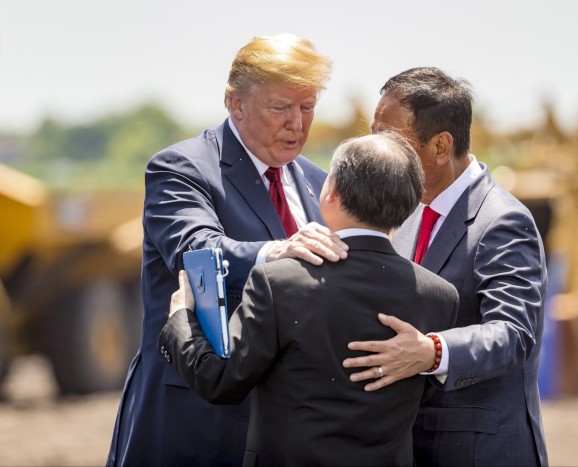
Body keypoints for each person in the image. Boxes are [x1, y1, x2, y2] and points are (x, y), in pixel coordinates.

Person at [106, 34, 349, 467]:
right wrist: (276, 252)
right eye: (280, 107)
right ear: (235, 103)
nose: (297, 123)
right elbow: (195, 249)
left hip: (289, 430)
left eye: (307, 107)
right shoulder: (182, 168)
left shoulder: (319, 179)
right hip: (197, 421)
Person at [159, 132, 460, 466]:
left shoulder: (279, 282)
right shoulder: (440, 295)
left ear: (330, 193)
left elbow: (220, 380)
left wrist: (180, 321)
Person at [342, 67, 549, 466]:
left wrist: (433, 352)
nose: (375, 149)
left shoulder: (502, 221)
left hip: (480, 451)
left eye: (390, 138)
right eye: (373, 132)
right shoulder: (402, 216)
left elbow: (513, 334)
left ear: (440, 147)